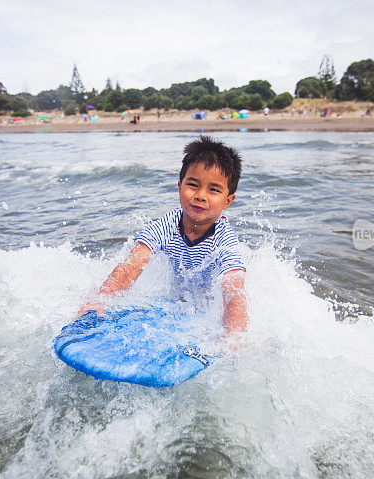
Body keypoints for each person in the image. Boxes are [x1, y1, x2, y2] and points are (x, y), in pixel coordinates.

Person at [77, 135, 247, 344]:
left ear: (227, 201)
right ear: (179, 187)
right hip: (175, 305)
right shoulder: (166, 226)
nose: (201, 195)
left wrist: (234, 336)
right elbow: (131, 265)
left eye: (213, 190)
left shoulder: (225, 241)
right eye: (193, 184)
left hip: (209, 311)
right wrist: (101, 299)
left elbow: (233, 289)